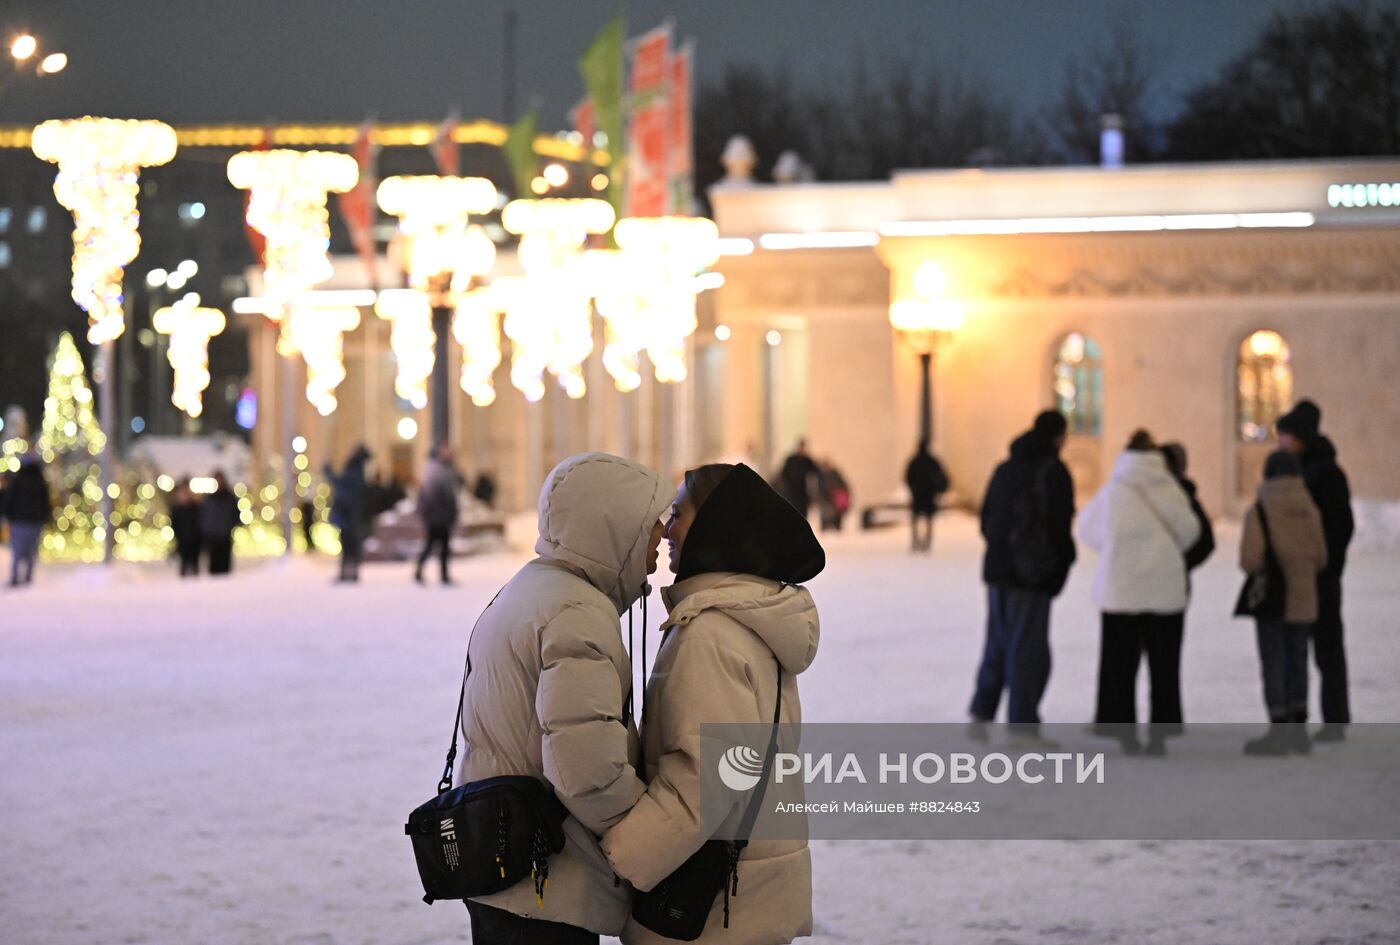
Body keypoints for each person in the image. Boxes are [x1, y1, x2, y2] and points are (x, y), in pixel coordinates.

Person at [602, 463, 824, 945]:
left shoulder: (710, 633)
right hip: (752, 885)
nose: (665, 531)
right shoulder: (749, 616)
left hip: (715, 908)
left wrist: (620, 855)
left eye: (679, 514)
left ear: (715, 526)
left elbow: (710, 779)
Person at [456, 452, 669, 943]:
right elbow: (586, 771)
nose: (659, 542)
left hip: (503, 864)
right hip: (546, 879)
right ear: (612, 526)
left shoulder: (532, 589)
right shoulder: (577, 613)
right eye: (647, 527)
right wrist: (650, 842)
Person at [1078, 430, 1201, 755]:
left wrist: (1116, 547)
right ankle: (1160, 734)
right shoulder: (1169, 489)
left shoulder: (1113, 492)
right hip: (1165, 591)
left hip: (1121, 590)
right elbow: (1191, 531)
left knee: (1119, 666)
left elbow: (1085, 529)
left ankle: (1123, 733)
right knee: (1164, 667)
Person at [969, 410, 1076, 740]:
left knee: (998, 642)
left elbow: (987, 519)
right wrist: (1059, 565)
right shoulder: (1053, 471)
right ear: (1059, 436)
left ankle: (981, 714)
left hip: (998, 570)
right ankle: (1022, 726)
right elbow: (1059, 528)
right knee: (1027, 649)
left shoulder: (1005, 468)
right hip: (1031, 573)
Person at [1239, 450, 1329, 756]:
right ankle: (1299, 728)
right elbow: (1321, 556)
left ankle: (1278, 728)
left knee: (1274, 662)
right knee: (1299, 661)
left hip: (1273, 601)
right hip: (1304, 596)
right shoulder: (1310, 508)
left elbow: (1249, 559)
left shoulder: (1260, 510)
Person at [1276, 400, 1355, 742]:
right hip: (1301, 575)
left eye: (1286, 435)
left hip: (1319, 576)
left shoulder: (1322, 473)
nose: (1281, 441)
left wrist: (1326, 565)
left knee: (1323, 650)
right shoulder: (1298, 469)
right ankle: (1303, 718)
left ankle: (1334, 719)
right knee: (1301, 650)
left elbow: (1340, 527)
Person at [1160, 443, 1216, 578]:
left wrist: (1178, 564)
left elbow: (1206, 542)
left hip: (1173, 581)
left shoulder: (1184, 498)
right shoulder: (1150, 495)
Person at [324, 445, 372, 584]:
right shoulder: (358, 472)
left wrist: (327, 470)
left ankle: (348, 572)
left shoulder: (354, 472)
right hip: (352, 514)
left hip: (349, 514)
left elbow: (339, 482)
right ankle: (349, 572)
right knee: (350, 544)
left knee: (349, 545)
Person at [415, 443, 460, 585]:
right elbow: (437, 495)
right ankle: (431, 573)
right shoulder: (436, 470)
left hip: (440, 516)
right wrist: (446, 513)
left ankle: (438, 573)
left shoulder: (442, 469)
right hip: (438, 517)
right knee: (435, 545)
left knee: (438, 546)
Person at [4, 452, 51, 587]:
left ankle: (15, 577)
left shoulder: (17, 480)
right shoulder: (40, 481)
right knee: (31, 550)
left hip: (19, 521)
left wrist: (8, 515)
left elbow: (9, 500)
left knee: (18, 550)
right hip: (34, 521)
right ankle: (27, 578)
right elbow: (45, 503)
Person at [905, 439, 950, 553]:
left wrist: (913, 488)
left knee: (917, 519)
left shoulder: (915, 461)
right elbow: (942, 475)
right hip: (929, 494)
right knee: (928, 518)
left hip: (919, 494)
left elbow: (908, 477)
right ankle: (926, 541)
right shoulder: (932, 461)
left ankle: (916, 540)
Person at [199, 471, 240, 576]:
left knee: (224, 567)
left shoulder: (230, 498)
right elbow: (203, 517)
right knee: (213, 567)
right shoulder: (209, 499)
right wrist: (206, 531)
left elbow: (236, 516)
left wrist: (229, 526)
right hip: (212, 538)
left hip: (225, 537)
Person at [777, 439, 819, 518]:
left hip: (802, 492)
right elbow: (783, 473)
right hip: (791, 491)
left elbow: (816, 472)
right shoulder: (791, 460)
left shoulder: (807, 460)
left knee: (803, 514)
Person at [169, 480, 202, 577]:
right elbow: (174, 525)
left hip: (195, 542)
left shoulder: (196, 508)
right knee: (184, 566)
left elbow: (200, 524)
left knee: (195, 567)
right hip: (182, 542)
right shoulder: (177, 510)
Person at [815, 458, 851, 532]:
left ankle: (837, 528)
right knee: (826, 515)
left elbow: (843, 485)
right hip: (827, 499)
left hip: (836, 498)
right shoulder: (821, 476)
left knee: (837, 515)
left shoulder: (835, 473)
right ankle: (825, 529)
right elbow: (820, 490)